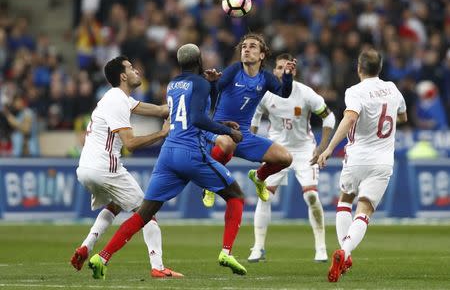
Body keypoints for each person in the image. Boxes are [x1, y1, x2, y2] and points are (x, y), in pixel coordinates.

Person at [87, 44, 247, 280]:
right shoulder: (199, 83)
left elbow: (199, 108)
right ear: (199, 60)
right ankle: (226, 252)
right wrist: (227, 131)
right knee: (235, 195)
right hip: (191, 152)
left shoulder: (173, 85)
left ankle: (102, 256)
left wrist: (212, 85)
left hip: (168, 153)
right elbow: (199, 118)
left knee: (143, 214)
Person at [72, 55, 183, 278]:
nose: (137, 71)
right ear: (123, 76)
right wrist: (162, 133)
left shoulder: (117, 98)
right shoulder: (118, 101)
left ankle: (86, 245)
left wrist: (183, 100)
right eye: (132, 68)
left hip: (85, 169)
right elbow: (130, 144)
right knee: (147, 213)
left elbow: (161, 110)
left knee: (115, 204)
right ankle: (158, 267)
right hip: (105, 168)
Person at [316, 48, 407, 282]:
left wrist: (328, 148)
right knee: (365, 209)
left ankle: (343, 254)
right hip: (383, 160)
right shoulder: (393, 89)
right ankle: (345, 252)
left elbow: (350, 118)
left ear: (359, 67)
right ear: (380, 68)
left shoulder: (354, 91)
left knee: (345, 200)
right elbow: (403, 117)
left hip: (357, 158)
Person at [249, 53, 335, 263]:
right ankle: (258, 247)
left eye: (284, 68)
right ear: (274, 70)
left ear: (292, 71)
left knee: (311, 196)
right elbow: (254, 117)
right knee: (264, 195)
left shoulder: (305, 93)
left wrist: (322, 147)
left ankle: (321, 247)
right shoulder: (266, 94)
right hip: (276, 150)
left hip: (304, 150)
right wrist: (251, 144)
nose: (280, 71)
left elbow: (329, 117)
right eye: (277, 68)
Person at [202, 33, 296, 206]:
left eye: (252, 46)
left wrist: (288, 76)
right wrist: (213, 83)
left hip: (243, 136)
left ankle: (259, 177)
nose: (246, 49)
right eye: (244, 46)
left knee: (286, 158)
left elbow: (284, 93)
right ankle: (211, 183)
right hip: (219, 130)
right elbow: (214, 95)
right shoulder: (234, 70)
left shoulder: (266, 78)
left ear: (261, 55)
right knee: (226, 145)